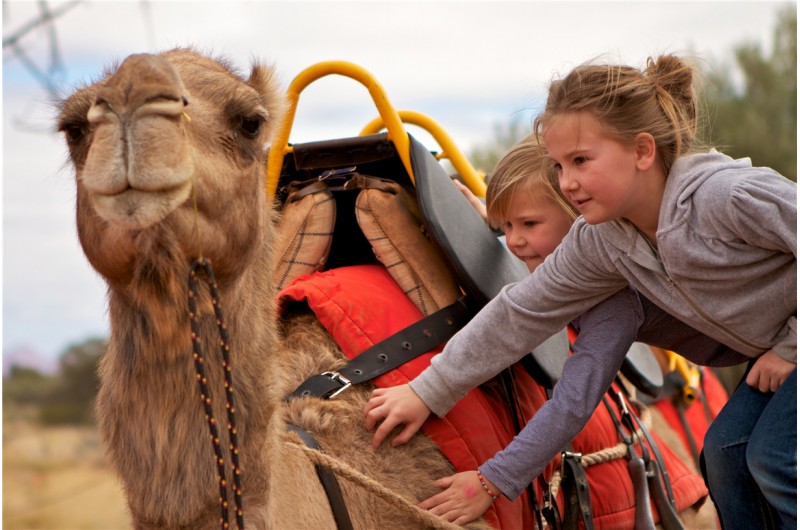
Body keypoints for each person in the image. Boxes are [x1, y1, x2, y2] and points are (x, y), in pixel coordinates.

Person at [365, 54, 796, 529]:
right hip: (774, 355)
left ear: (642, 151)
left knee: (775, 459)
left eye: (580, 161)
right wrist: (428, 391)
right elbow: (521, 312)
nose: (566, 182)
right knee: (725, 455)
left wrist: (790, 343)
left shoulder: (724, 196)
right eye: (558, 166)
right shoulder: (604, 242)